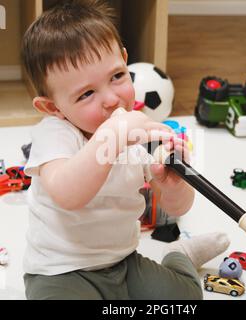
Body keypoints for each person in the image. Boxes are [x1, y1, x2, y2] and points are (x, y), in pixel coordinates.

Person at [21, 0, 230, 300]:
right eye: (87, 93)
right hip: (59, 270)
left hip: (123, 261)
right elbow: (68, 194)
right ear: (53, 107)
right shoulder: (54, 134)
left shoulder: (140, 134)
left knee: (185, 299)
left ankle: (178, 256)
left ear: (125, 60)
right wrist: (114, 134)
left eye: (117, 76)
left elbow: (178, 208)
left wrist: (173, 184)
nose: (111, 99)